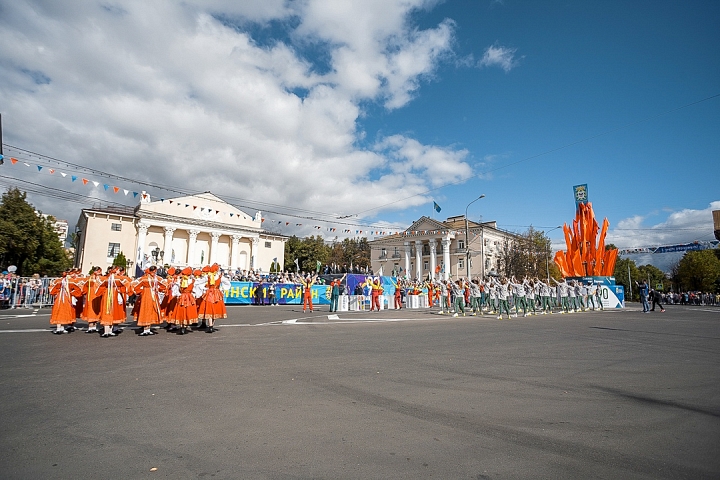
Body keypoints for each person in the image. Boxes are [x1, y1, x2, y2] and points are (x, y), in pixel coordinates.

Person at [133, 266, 167, 336]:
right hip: (152, 295)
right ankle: (147, 328)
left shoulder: (144, 278)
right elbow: (165, 284)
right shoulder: (156, 278)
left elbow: (134, 285)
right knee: (149, 310)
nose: (154, 273)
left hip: (147, 295)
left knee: (147, 310)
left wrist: (140, 291)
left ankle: (147, 328)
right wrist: (160, 289)